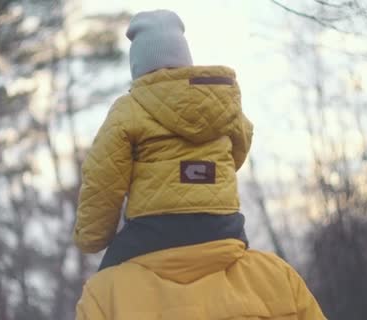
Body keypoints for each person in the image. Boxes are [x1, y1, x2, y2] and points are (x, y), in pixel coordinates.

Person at [73, 9, 326, 320]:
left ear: (138, 69)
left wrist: (91, 238)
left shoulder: (107, 297)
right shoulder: (278, 281)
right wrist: (205, 178)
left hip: (152, 233)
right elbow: (239, 149)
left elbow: (102, 181)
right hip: (222, 225)